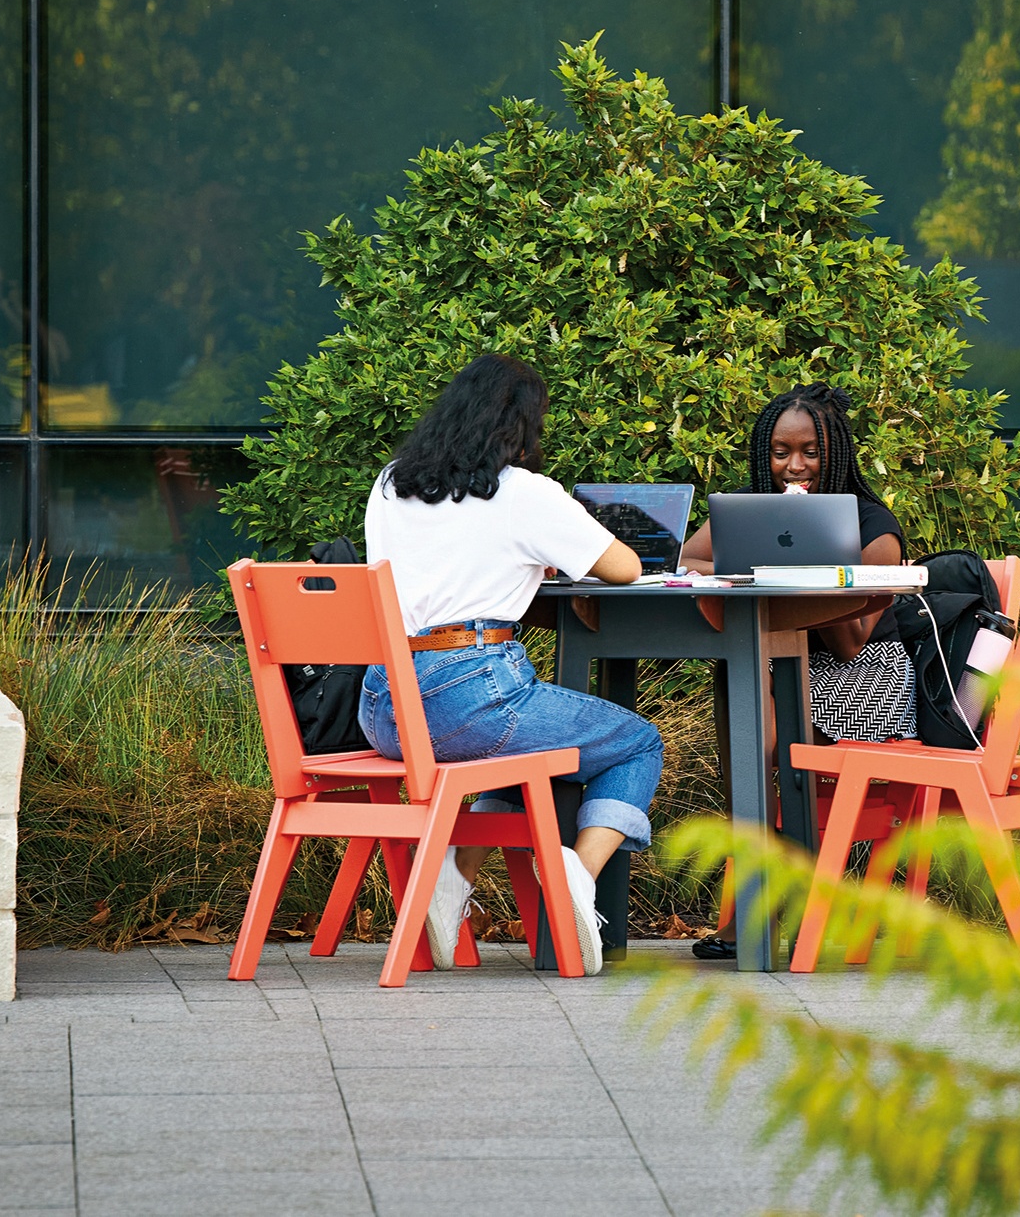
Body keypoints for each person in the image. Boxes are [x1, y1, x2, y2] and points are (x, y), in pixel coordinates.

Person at [356, 353, 661, 976]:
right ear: (522, 427)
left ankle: (450, 880)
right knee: (637, 741)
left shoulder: (391, 484)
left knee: (513, 754)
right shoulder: (524, 493)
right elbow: (625, 567)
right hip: (469, 696)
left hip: (385, 709)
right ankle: (578, 869)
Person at [678, 382, 915, 958]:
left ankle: (757, 908)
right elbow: (688, 557)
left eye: (809, 451)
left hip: (868, 681)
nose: (795, 466)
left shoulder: (872, 527)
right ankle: (757, 868)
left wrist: (813, 563)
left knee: (753, 697)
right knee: (741, 681)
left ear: (834, 452)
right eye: (781, 452)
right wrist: (764, 562)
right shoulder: (752, 515)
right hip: (789, 674)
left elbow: (855, 639)